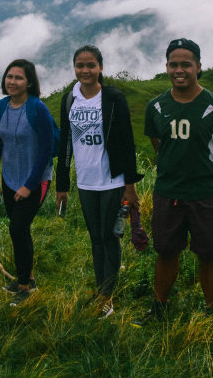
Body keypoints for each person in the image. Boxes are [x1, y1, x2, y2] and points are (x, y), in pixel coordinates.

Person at [139, 38, 213, 322]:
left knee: (209, 255)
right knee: (166, 251)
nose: (179, 69)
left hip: (204, 195)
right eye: (173, 64)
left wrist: (211, 182)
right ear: (166, 67)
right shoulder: (155, 107)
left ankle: (211, 312)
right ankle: (159, 308)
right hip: (167, 191)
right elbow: (160, 145)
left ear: (198, 67)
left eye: (186, 64)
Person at [56, 45, 141, 319]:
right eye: (80, 65)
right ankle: (101, 289)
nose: (85, 71)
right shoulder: (70, 99)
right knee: (95, 238)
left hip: (112, 180)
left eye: (91, 65)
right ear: (74, 68)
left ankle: (107, 297)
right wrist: (62, 184)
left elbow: (127, 142)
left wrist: (130, 184)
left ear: (100, 67)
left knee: (109, 237)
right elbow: (65, 143)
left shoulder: (114, 97)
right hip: (86, 182)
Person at [0, 59, 54, 306]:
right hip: (9, 178)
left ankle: (24, 286)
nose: (12, 81)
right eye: (9, 77)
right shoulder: (0, 107)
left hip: (35, 180)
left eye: (18, 78)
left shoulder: (38, 109)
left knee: (17, 227)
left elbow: (47, 150)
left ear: (29, 82)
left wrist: (29, 185)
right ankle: (28, 277)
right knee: (19, 230)